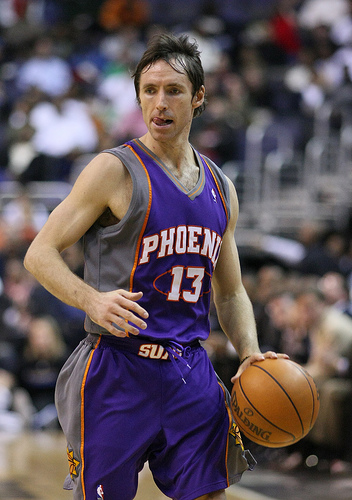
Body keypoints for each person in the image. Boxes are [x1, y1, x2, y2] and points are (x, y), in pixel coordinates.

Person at [24, 33, 287, 500]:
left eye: (173, 90)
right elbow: (39, 251)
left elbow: (229, 292)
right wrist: (91, 298)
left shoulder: (221, 187)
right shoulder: (113, 170)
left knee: (209, 494)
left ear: (199, 97)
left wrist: (249, 352)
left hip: (189, 370)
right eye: (149, 90)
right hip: (116, 369)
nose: (159, 103)